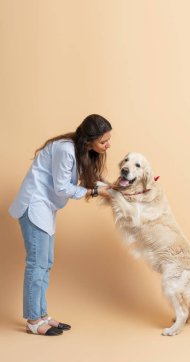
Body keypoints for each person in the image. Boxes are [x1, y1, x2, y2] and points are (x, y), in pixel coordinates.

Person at [9, 114, 112, 336]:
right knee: (37, 263)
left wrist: (111, 187)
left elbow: (89, 179)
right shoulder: (65, 149)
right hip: (34, 205)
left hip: (45, 208)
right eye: (104, 141)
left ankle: (42, 313)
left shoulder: (80, 151)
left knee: (45, 262)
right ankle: (34, 320)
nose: (108, 145)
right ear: (89, 140)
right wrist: (95, 191)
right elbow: (62, 188)